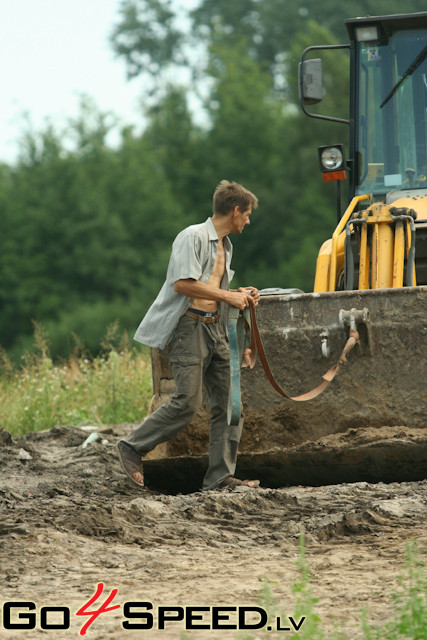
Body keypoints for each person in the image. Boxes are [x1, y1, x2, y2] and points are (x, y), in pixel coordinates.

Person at [116, 180, 260, 490]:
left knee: (230, 404)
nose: (247, 221)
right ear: (235, 211)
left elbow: (211, 287)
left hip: (217, 328)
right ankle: (132, 446)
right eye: (246, 214)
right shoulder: (191, 236)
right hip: (189, 328)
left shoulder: (226, 246)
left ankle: (220, 477)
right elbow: (183, 284)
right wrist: (228, 297)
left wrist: (238, 293)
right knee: (187, 402)